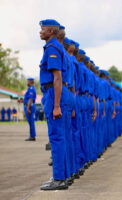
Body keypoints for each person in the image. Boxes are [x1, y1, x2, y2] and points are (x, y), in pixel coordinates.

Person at [39, 19, 68, 190]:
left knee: (56, 137)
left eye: (43, 29)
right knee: (59, 137)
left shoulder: (52, 48)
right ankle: (60, 176)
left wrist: (56, 105)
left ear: (51, 31)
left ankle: (59, 179)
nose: (40, 32)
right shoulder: (55, 47)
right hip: (54, 93)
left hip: (53, 93)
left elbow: (57, 77)